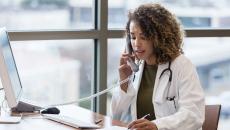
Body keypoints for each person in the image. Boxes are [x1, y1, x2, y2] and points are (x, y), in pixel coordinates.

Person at [111, 3, 205, 130]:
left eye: (143, 37)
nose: (136, 44)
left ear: (159, 38)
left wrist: (157, 125)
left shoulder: (182, 65)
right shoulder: (135, 69)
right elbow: (116, 116)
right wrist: (124, 82)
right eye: (133, 37)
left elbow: (193, 115)